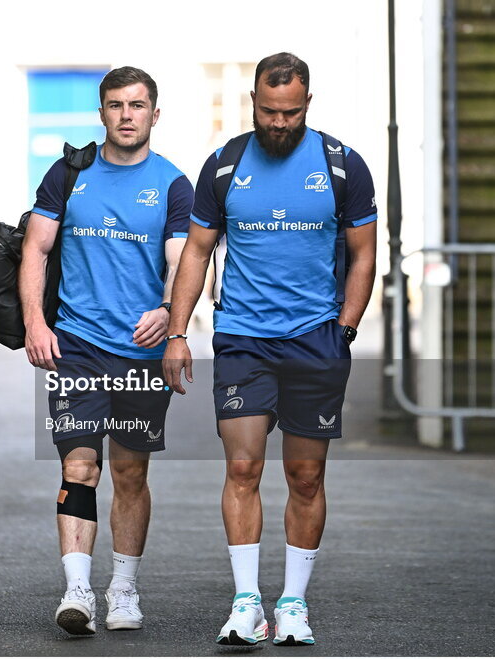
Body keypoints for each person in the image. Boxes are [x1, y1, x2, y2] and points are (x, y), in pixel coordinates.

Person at [162, 52, 377, 646]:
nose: (278, 122)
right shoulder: (226, 164)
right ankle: (247, 602)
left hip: (316, 341)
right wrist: (179, 333)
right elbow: (197, 252)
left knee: (306, 476)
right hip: (244, 340)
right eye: (267, 111)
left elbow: (363, 255)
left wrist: (346, 328)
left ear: (308, 104)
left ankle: (293, 604)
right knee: (242, 466)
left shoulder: (341, 166)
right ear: (252, 102)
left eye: (290, 112)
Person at [20, 66, 193, 636]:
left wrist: (170, 314)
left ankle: (123, 588)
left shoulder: (172, 184)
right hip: (76, 344)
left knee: (129, 470)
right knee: (79, 464)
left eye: (137, 106)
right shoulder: (70, 174)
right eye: (116, 105)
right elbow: (36, 250)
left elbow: (182, 262)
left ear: (154, 114)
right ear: (102, 113)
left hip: (139, 353)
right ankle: (76, 591)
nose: (126, 115)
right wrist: (35, 323)